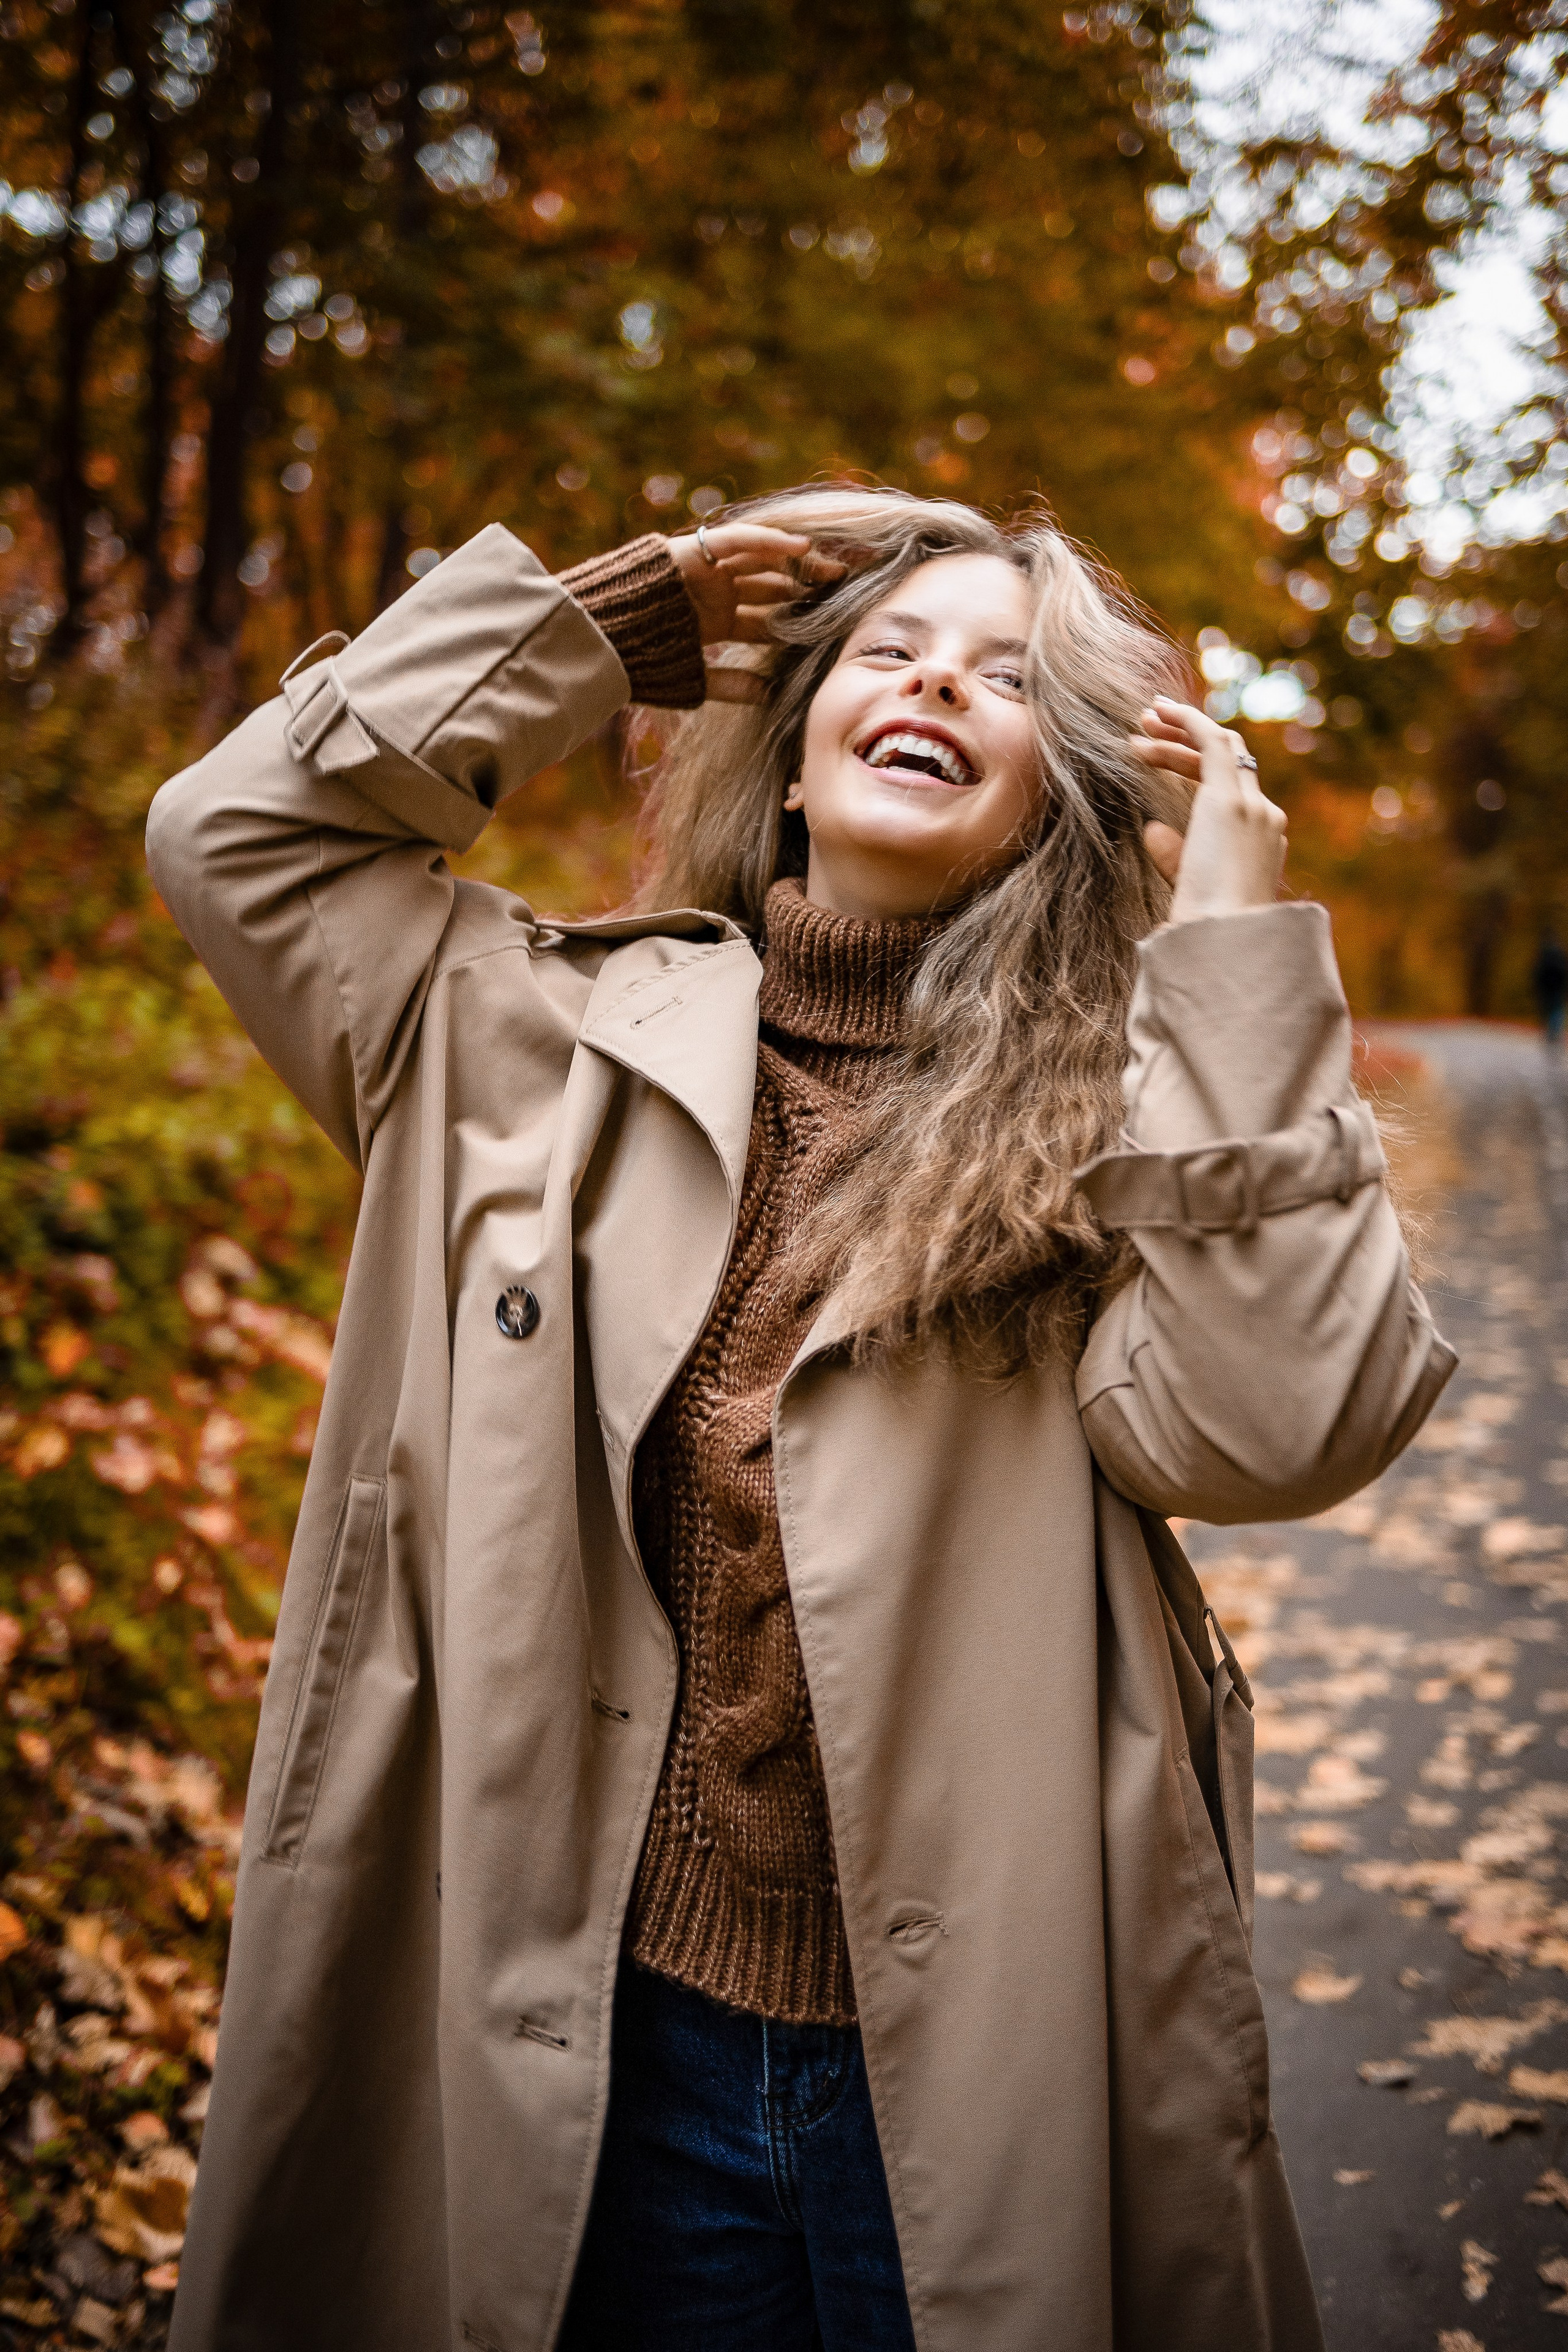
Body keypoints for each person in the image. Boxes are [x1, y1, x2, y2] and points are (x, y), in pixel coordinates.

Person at [145, 489, 1455, 2352]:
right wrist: (618, 618)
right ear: (794, 734)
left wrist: (1235, 959)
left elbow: (1280, 1429)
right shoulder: (522, 1036)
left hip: (983, 2070)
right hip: (603, 2040)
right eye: (889, 648)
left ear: (1058, 800)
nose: (934, 683)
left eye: (1006, 679)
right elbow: (238, 834)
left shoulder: (1117, 1134)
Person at [1533, 926, 1568, 1044]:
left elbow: (1538, 973)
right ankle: (1555, 1031)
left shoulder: (1544, 955)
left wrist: (1538, 987)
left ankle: (1550, 1032)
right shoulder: (1560, 955)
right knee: (1557, 1009)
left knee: (1548, 1009)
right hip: (1557, 988)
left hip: (1546, 988)